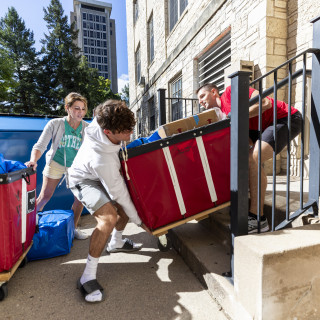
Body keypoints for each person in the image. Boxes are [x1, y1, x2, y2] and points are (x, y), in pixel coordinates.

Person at [68, 100, 150, 303]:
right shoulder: (102, 158)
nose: (130, 134)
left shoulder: (103, 120)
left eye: (131, 128)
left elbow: (106, 108)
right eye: (125, 131)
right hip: (83, 180)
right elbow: (118, 193)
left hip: (99, 174)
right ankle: (87, 276)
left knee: (127, 204)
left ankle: (116, 242)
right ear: (108, 133)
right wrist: (140, 222)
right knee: (108, 218)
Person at [196, 83, 302, 233]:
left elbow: (264, 103)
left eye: (202, 96)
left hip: (286, 118)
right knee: (246, 159)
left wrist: (234, 117)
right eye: (198, 99)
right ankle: (250, 214)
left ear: (214, 92)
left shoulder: (230, 92)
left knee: (253, 159)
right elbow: (248, 140)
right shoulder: (222, 115)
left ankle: (258, 219)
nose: (200, 101)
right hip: (263, 127)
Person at [25, 92, 89, 240]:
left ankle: (74, 228)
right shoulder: (55, 124)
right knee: (45, 196)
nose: (80, 112)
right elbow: (40, 145)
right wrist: (33, 160)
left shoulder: (87, 128)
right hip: (56, 162)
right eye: (76, 108)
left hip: (77, 166)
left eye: (83, 109)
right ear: (67, 108)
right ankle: (30, 227)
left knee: (80, 199)